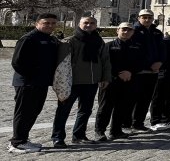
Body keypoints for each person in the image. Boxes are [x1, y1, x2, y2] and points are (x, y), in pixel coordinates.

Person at [51, 16, 110, 147]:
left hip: (91, 82)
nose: (89, 25)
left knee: (85, 110)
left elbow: (105, 60)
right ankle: (57, 137)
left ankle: (79, 135)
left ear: (96, 25)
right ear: (79, 24)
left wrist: (105, 77)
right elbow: (62, 64)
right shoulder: (69, 41)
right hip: (71, 82)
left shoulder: (99, 41)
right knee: (63, 110)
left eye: (92, 23)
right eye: (86, 23)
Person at [9, 14, 60, 154]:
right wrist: (31, 77)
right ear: (37, 23)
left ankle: (23, 139)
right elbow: (17, 62)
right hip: (27, 83)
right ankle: (17, 143)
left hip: (41, 83)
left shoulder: (51, 40)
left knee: (33, 112)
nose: (50, 25)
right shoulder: (28, 39)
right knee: (24, 112)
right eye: (46, 23)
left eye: (53, 23)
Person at [95, 23, 141, 142]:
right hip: (111, 81)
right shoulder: (108, 46)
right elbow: (104, 63)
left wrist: (130, 72)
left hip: (129, 81)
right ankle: (99, 131)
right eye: (124, 29)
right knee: (105, 108)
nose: (126, 32)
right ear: (118, 30)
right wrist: (118, 73)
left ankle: (116, 131)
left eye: (129, 30)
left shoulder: (137, 47)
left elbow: (140, 63)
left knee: (123, 107)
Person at [129, 9, 165, 133]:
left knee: (145, 99)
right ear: (139, 18)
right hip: (138, 71)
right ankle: (127, 123)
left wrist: (160, 62)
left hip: (153, 71)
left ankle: (138, 123)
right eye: (144, 17)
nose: (147, 19)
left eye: (149, 17)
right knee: (132, 99)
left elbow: (162, 50)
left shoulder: (157, 33)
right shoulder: (133, 31)